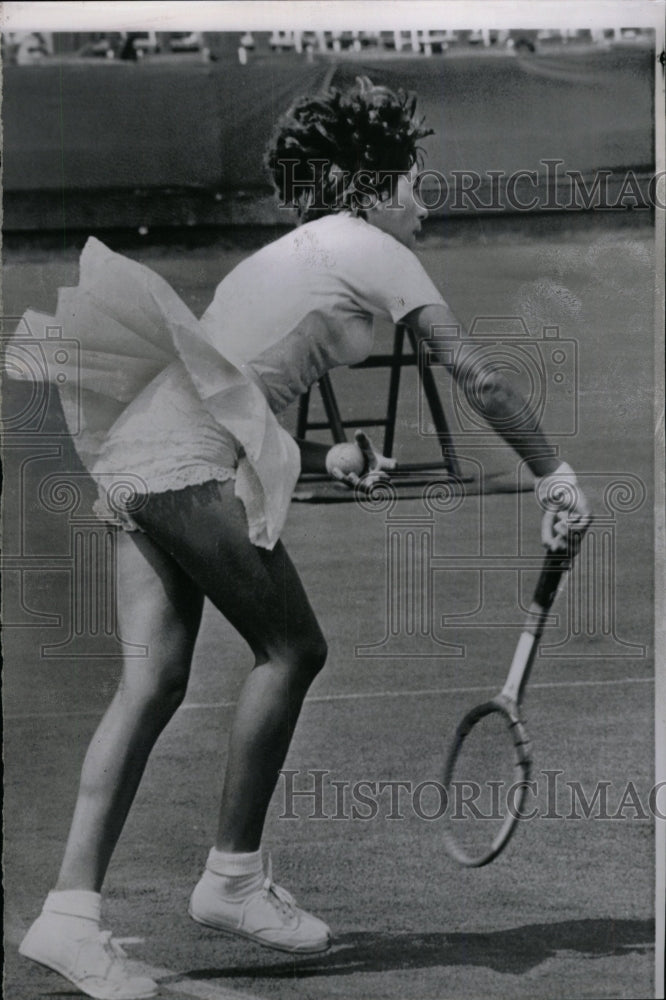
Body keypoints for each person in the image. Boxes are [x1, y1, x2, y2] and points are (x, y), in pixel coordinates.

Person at [15, 77, 590, 1000]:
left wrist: (331, 454)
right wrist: (554, 473)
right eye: (412, 183)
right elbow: (476, 375)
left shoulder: (300, 251)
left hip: (144, 446)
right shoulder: (371, 246)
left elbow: (232, 384)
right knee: (292, 646)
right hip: (183, 455)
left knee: (153, 681)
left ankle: (67, 918)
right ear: (368, 187)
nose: (425, 205)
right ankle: (232, 881)